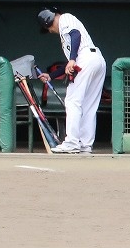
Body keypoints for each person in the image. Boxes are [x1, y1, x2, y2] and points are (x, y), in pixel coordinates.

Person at [37, 8, 107, 154]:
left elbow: (76, 34)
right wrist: (51, 75)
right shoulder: (65, 32)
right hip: (95, 60)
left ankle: (72, 142)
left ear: (49, 21)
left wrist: (73, 59)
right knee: (88, 105)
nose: (50, 31)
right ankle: (85, 144)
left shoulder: (65, 18)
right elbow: (72, 62)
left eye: (48, 28)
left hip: (86, 59)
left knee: (72, 101)